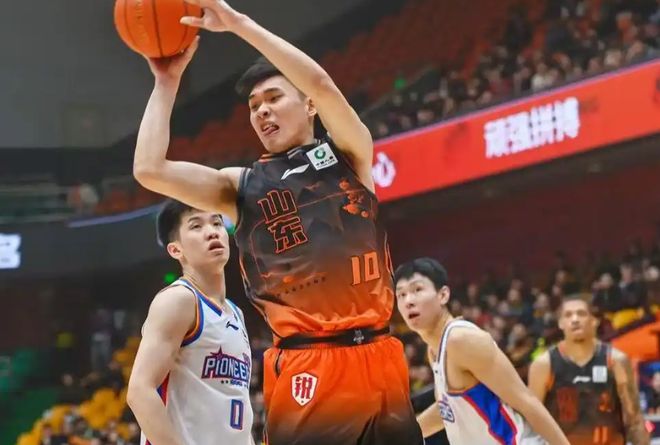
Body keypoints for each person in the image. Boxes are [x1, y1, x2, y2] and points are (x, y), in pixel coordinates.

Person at [132, 1, 423, 444]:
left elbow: (322, 83)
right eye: (253, 106)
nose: (261, 111)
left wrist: (240, 25)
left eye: (273, 98)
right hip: (310, 364)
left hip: (381, 354)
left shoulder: (348, 155)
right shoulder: (241, 186)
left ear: (309, 105)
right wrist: (166, 82)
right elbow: (149, 169)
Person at [394, 257, 569, 445]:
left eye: (417, 290)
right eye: (401, 295)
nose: (408, 301)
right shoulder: (434, 349)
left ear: (443, 295)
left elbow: (526, 401)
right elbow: (448, 410)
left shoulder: (461, 339)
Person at [126, 200, 254, 445]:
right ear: (176, 250)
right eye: (196, 226)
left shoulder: (236, 314)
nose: (212, 232)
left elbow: (236, 404)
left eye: (217, 222)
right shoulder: (179, 300)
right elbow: (140, 391)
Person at [528, 295, 650, 445]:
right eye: (568, 315)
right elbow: (533, 420)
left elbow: (634, 419)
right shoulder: (544, 364)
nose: (575, 319)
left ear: (594, 320)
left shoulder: (616, 361)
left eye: (581, 313)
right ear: (560, 323)